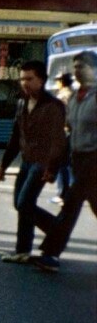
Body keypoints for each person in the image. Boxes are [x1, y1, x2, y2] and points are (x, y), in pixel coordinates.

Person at [0, 60, 68, 264]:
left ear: (41, 80)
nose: (24, 83)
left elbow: (58, 141)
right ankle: (24, 249)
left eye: (29, 79)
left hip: (43, 162)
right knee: (21, 205)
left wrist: (52, 168)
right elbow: (15, 137)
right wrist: (3, 165)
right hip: (27, 161)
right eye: (22, 79)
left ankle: (55, 230)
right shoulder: (21, 103)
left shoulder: (53, 106)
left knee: (24, 202)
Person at [33, 52, 97, 272]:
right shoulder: (74, 98)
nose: (78, 70)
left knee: (70, 203)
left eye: (83, 66)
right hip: (79, 159)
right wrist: (54, 164)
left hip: (94, 159)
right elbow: (68, 131)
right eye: (75, 66)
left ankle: (51, 253)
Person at [51, 73, 75, 205]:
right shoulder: (75, 94)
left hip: (64, 132)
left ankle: (63, 193)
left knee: (62, 164)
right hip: (74, 132)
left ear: (62, 82)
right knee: (69, 164)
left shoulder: (62, 96)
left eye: (58, 81)